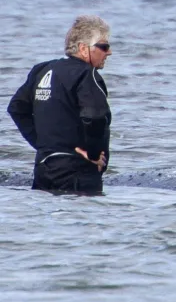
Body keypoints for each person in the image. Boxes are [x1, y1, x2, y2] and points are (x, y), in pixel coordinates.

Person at [7, 15, 113, 194]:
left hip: (44, 168)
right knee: (86, 221)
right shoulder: (87, 75)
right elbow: (94, 116)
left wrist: (43, 145)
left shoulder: (42, 70)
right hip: (78, 172)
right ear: (83, 48)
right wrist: (94, 154)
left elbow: (17, 108)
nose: (109, 52)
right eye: (104, 46)